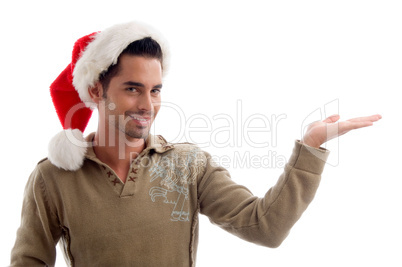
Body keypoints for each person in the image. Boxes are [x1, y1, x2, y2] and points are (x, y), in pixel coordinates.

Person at [10, 21, 381, 266]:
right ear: (96, 90)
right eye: (132, 89)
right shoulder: (53, 179)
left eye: (155, 90)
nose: (147, 105)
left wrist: (311, 147)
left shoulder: (188, 165)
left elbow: (265, 228)